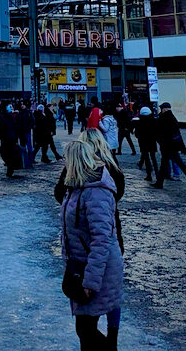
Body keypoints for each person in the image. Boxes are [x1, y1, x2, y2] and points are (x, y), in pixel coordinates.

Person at [60, 138, 123, 350]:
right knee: (84, 330)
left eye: (66, 160)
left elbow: (101, 239)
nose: (64, 164)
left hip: (97, 270)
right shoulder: (77, 186)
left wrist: (90, 282)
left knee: (86, 329)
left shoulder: (96, 192)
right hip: (82, 266)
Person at [151, 102, 186, 192]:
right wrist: (182, 147)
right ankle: (159, 183)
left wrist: (160, 141)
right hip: (171, 146)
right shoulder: (172, 118)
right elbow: (178, 134)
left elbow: (161, 133)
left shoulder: (164, 118)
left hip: (168, 146)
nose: (161, 110)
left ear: (165, 109)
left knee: (171, 164)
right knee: (168, 164)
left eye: (161, 108)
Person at [0, 103, 21, 178]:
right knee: (10, 153)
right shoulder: (11, 117)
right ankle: (10, 166)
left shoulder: (2, 117)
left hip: (5, 138)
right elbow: (15, 127)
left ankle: (10, 166)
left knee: (4, 152)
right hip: (11, 137)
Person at [136, 107, 159, 181]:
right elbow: (156, 132)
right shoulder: (154, 121)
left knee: (147, 159)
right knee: (153, 158)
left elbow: (137, 133)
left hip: (143, 143)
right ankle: (157, 174)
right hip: (152, 142)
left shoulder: (139, 122)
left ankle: (149, 175)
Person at [17, 99, 35, 167]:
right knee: (23, 147)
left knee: (29, 147)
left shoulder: (28, 112)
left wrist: (29, 127)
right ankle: (24, 161)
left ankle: (30, 161)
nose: (22, 106)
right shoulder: (20, 113)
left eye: (23, 104)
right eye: (21, 104)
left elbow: (32, 121)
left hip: (26, 131)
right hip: (22, 132)